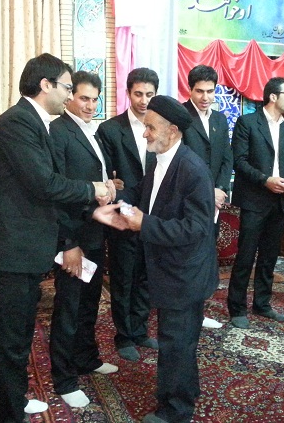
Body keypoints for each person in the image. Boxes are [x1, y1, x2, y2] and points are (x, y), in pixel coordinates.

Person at [0, 54, 115, 423]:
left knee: (17, 340)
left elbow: (42, 191)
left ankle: (14, 400)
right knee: (6, 345)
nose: (69, 96)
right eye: (67, 88)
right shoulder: (17, 122)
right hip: (4, 256)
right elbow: (44, 183)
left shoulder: (36, 123)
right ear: (46, 84)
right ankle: (8, 413)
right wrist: (92, 189)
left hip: (23, 254)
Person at [93, 95, 219, 423]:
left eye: (150, 127)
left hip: (185, 274)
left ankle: (176, 412)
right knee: (177, 340)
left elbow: (196, 228)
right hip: (167, 269)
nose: (145, 133)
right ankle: (185, 391)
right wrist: (115, 200)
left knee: (176, 343)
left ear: (173, 130)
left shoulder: (192, 169)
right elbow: (141, 196)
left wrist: (143, 224)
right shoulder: (160, 160)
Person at [48, 71, 121, 407]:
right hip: (73, 238)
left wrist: (110, 187)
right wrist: (67, 244)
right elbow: (56, 193)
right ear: (70, 97)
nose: (90, 105)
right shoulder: (59, 131)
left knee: (89, 302)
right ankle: (64, 379)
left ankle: (86, 358)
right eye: (84, 98)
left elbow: (93, 179)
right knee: (68, 308)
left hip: (95, 232)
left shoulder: (93, 132)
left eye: (94, 99)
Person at [226, 77, 284, 329]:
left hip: (280, 201)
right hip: (254, 199)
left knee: (270, 256)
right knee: (246, 256)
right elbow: (240, 161)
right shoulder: (247, 122)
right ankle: (237, 308)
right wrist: (265, 180)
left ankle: (262, 303)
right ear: (273, 96)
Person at [97, 67, 159, 361]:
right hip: (123, 215)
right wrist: (124, 207)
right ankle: (123, 336)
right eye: (138, 94)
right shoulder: (110, 130)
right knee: (123, 279)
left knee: (146, 276)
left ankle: (140, 330)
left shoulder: (162, 127)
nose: (143, 100)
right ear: (128, 93)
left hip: (152, 217)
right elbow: (109, 179)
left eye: (149, 94)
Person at [182, 65, 233, 329]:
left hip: (215, 201)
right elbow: (181, 161)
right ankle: (185, 311)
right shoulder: (181, 117)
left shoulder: (220, 120)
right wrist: (207, 191)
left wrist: (220, 188)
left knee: (206, 256)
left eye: (210, 91)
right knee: (188, 257)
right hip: (189, 200)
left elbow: (227, 158)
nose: (205, 97)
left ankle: (199, 311)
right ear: (190, 89)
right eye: (199, 91)